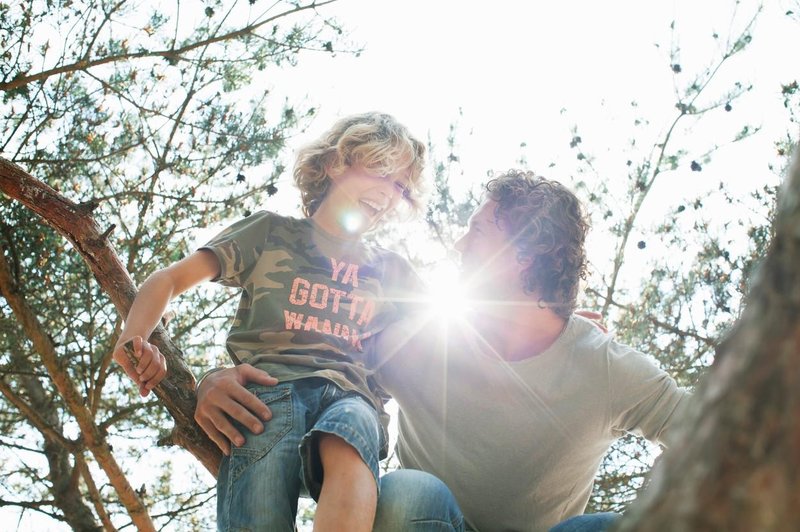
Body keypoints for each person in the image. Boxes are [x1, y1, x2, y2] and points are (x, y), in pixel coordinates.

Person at [193, 170, 692, 531]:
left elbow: (715, 435)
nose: (459, 245)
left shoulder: (605, 368)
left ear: (522, 255)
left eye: (477, 230)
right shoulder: (418, 342)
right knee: (405, 493)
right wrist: (213, 380)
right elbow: (310, 371)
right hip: (426, 524)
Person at [112, 112, 427, 531]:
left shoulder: (392, 271)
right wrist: (134, 337)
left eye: (401, 186)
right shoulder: (270, 232)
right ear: (336, 163)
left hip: (353, 394)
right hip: (267, 394)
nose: (389, 194)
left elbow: (450, 346)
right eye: (382, 171)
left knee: (352, 426)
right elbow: (169, 279)